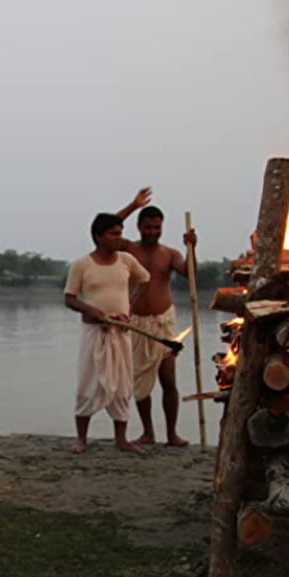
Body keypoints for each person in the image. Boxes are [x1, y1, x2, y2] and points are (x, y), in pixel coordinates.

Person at [64, 213, 150, 454]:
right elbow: (69, 298)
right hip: (94, 332)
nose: (117, 238)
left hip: (121, 332)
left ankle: (121, 439)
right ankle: (81, 438)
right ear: (97, 237)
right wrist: (90, 309)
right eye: (113, 234)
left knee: (123, 383)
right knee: (87, 382)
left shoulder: (126, 260)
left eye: (120, 233)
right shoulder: (82, 264)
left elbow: (144, 280)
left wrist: (129, 308)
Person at [117, 188, 196, 447]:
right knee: (141, 380)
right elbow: (104, 230)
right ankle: (148, 432)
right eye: (148, 227)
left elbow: (189, 274)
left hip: (163, 321)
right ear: (139, 227)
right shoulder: (127, 249)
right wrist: (133, 205)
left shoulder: (170, 254)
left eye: (157, 228)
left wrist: (191, 247)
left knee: (168, 379)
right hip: (137, 323)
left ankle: (172, 434)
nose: (153, 232)